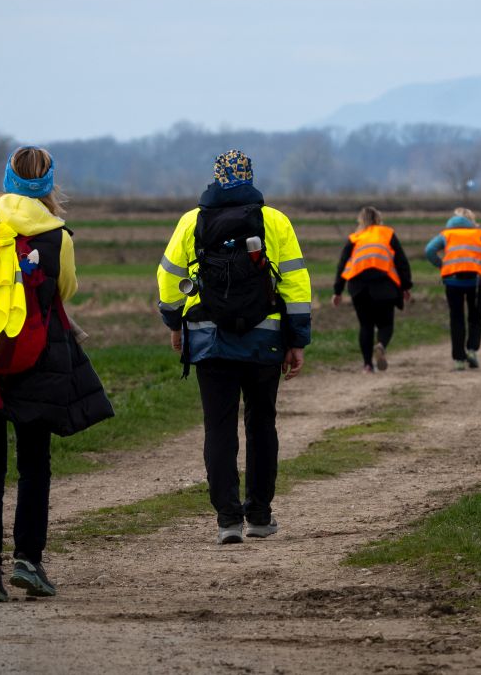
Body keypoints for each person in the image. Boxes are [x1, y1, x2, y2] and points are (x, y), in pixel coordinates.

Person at [0, 146, 114, 603]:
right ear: (49, 185)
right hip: (37, 364)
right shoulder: (58, 236)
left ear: (9, 180)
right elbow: (64, 289)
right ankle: (28, 563)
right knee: (35, 466)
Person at [156, 150, 310, 545]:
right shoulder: (275, 221)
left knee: (219, 428)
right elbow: (295, 285)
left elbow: (169, 277)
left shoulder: (192, 221)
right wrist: (296, 341)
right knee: (262, 425)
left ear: (215, 178)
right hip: (264, 341)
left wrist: (175, 324)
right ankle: (259, 515)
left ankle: (227, 520)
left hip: (210, 342)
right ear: (250, 177)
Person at [332, 206, 413, 373]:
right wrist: (406, 286)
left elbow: (342, 264)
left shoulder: (355, 237)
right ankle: (381, 345)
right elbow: (402, 262)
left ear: (360, 220)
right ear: (378, 219)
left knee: (366, 325)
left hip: (359, 288)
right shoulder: (387, 233)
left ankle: (367, 365)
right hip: (384, 286)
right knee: (386, 324)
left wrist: (337, 291)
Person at [424, 208, 481, 371]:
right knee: (475, 317)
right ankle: (472, 350)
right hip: (475, 281)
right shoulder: (478, 234)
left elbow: (429, 250)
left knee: (456, 319)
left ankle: (459, 360)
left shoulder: (446, 235)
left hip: (452, 282)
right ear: (471, 220)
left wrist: (442, 265)